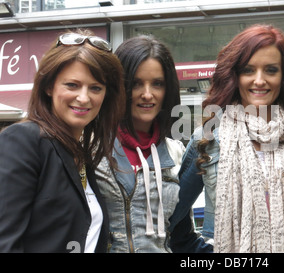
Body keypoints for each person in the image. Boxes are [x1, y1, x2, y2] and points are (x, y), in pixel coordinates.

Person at [169, 24, 284, 253]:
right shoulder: (208, 138)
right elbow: (173, 216)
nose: (260, 80)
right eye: (248, 70)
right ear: (234, 75)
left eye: (271, 70)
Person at [0, 29, 125, 252]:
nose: (84, 98)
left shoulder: (79, 153)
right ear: (49, 86)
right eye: (72, 85)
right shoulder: (23, 140)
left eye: (95, 88)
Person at [95, 35, 209, 253]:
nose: (147, 94)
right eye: (136, 83)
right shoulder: (90, 149)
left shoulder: (176, 152)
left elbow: (182, 239)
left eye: (157, 84)